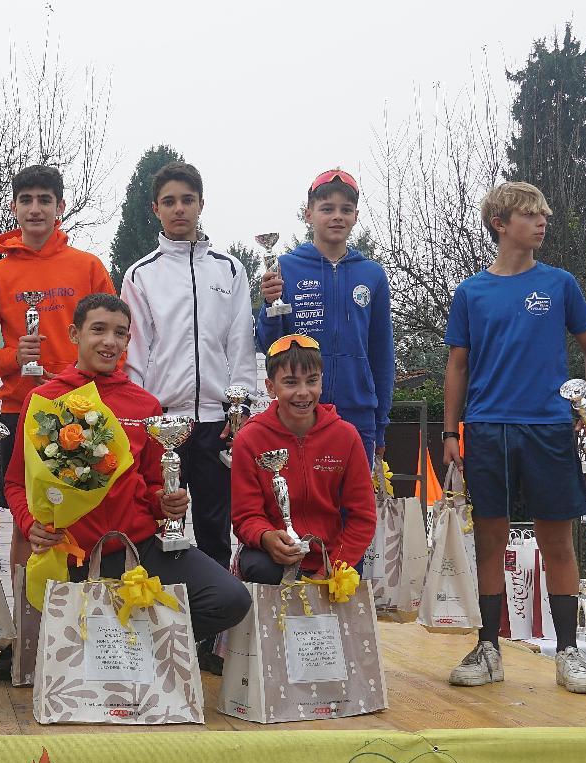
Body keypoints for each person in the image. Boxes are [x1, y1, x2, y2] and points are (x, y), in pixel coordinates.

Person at [4, 293, 252, 654]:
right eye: (98, 330)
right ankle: (119, 651)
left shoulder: (145, 404)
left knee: (230, 599)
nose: (109, 341)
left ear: (128, 341)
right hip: (74, 555)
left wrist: (164, 502)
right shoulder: (44, 399)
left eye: (119, 333)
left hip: (139, 548)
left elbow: (152, 484)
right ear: (74, 334)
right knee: (71, 646)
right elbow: (15, 482)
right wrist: (30, 525)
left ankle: (135, 650)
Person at [443, 181, 586, 695]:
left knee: (556, 540)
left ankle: (569, 652)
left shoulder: (560, 283)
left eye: (544, 215)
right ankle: (488, 649)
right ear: (500, 223)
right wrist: (451, 430)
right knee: (490, 540)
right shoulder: (471, 292)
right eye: (531, 215)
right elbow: (457, 366)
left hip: (549, 428)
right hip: (487, 428)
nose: (542, 223)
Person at [0, 164, 116, 680]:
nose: (35, 209)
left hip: (83, 412)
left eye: (45, 200)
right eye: (26, 200)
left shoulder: (88, 267)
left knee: (86, 518)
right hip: (22, 412)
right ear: (14, 207)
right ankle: (23, 637)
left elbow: (114, 336)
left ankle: (85, 628)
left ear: (60, 207)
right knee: (26, 523)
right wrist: (15, 357)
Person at [119, 161, 257, 671]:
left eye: (187, 200)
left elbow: (240, 343)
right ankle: (158, 624)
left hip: (218, 420)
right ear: (155, 209)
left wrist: (241, 411)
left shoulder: (230, 269)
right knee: (162, 527)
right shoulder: (141, 273)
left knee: (216, 527)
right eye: (169, 201)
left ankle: (208, 639)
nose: (179, 209)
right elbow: (135, 353)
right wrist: (140, 420)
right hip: (163, 423)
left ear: (201, 204)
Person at [256, 169, 394, 460]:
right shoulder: (284, 267)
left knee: (355, 491)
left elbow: (381, 354)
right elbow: (269, 344)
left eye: (346, 210)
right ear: (308, 214)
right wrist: (269, 306)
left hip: (357, 414)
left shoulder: (372, 275)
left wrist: (381, 423)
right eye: (327, 209)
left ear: (355, 216)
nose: (337, 217)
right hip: (298, 412)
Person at [230, 335, 376, 582]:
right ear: (270, 387)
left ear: (321, 381)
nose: (303, 392)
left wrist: (333, 569)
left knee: (349, 576)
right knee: (259, 567)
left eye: (312, 381)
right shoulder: (249, 438)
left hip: (329, 556)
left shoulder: (345, 436)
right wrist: (266, 537)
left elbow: (363, 516)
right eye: (290, 382)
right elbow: (245, 516)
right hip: (275, 558)